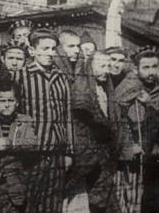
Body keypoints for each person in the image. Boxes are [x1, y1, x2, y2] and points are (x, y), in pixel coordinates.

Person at [16, 28, 74, 213]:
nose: (51, 53)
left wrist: (69, 152)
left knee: (53, 206)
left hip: (57, 153)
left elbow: (67, 116)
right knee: (29, 203)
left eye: (53, 49)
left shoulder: (61, 78)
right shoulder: (21, 75)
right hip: (31, 155)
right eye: (45, 48)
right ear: (32, 51)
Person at [68, 51, 122, 213]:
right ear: (90, 67)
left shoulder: (105, 88)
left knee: (102, 200)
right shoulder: (82, 89)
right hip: (86, 156)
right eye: (101, 66)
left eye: (108, 66)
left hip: (102, 156)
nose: (106, 70)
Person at [115, 45, 159, 213]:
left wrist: (150, 104)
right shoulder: (127, 89)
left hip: (156, 156)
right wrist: (129, 146)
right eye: (146, 67)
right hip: (133, 157)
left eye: (155, 67)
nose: (151, 71)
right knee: (130, 202)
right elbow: (117, 120)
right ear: (136, 70)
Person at [0, 79, 37, 213]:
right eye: (2, 101)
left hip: (16, 187)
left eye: (11, 101)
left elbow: (32, 143)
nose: (7, 105)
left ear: (17, 102)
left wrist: (9, 144)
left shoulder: (25, 121)